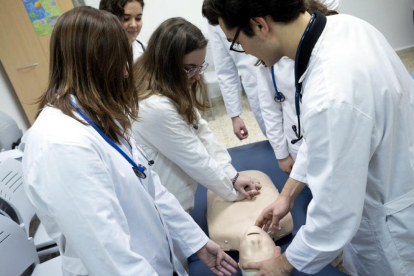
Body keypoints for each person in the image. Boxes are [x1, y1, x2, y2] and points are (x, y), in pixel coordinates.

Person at [202, 0, 414, 275]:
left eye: (238, 43)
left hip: (388, 235)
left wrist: (282, 264)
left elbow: (333, 216)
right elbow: (324, 141)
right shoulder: (348, 27)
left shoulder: (331, 92)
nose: (245, 52)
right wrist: (287, 195)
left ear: (259, 25)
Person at [22, 7, 237, 276]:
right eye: (119, 62)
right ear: (92, 64)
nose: (127, 73)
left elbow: (151, 187)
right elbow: (108, 256)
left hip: (156, 256)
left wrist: (197, 243)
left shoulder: (101, 116)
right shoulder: (60, 143)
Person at [132, 17, 261, 214]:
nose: (197, 75)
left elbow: (201, 130)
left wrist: (232, 175)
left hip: (177, 199)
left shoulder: (168, 85)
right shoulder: (154, 107)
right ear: (166, 62)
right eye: (189, 68)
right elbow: (195, 158)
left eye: (199, 66)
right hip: (165, 208)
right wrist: (232, 190)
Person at [257, 0, 340, 175]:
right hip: (296, 143)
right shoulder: (268, 59)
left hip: (332, 141)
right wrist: (281, 154)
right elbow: (269, 109)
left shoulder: (327, 48)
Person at [208, 24, 266, 140]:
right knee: (276, 141)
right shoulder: (213, 18)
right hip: (256, 87)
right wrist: (234, 115)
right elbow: (225, 70)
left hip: (288, 78)